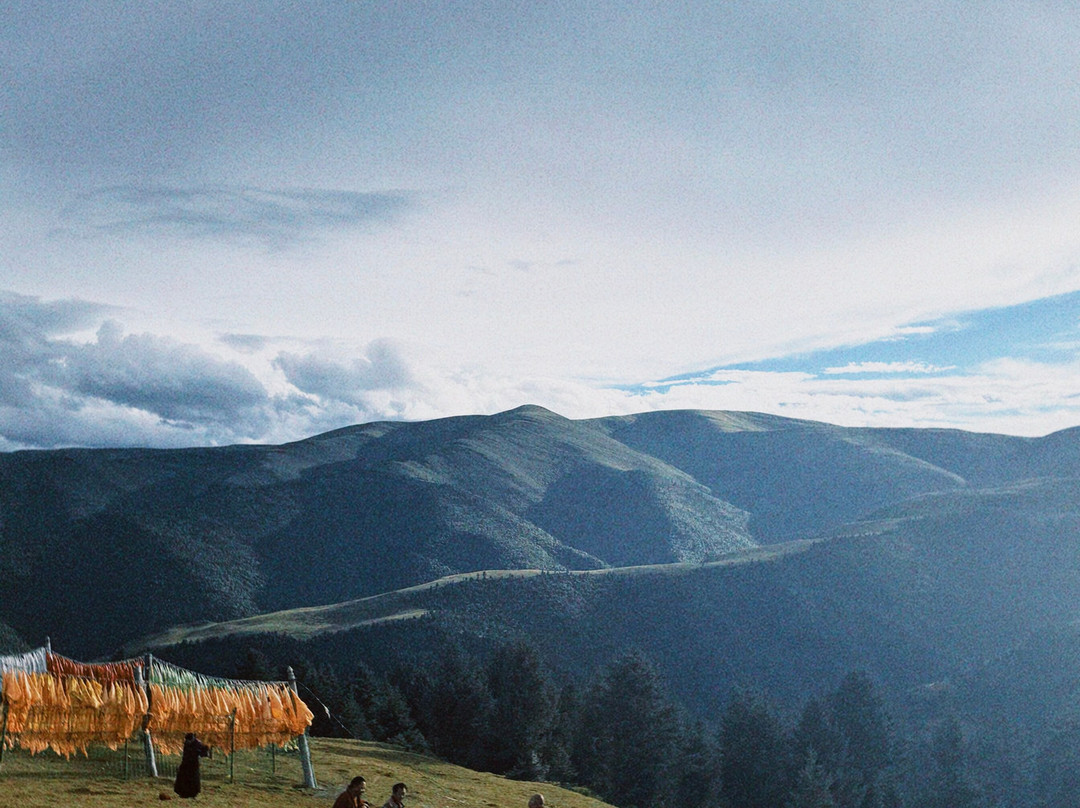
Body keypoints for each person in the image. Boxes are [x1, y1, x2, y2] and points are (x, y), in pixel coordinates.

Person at [173, 733, 210, 799]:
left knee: (193, 779)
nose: (187, 742)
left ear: (192, 739)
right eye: (187, 741)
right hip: (186, 762)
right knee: (183, 778)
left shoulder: (198, 744)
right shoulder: (187, 743)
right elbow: (185, 754)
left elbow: (203, 753)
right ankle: (183, 793)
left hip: (193, 764)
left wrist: (204, 750)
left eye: (189, 741)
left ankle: (193, 794)